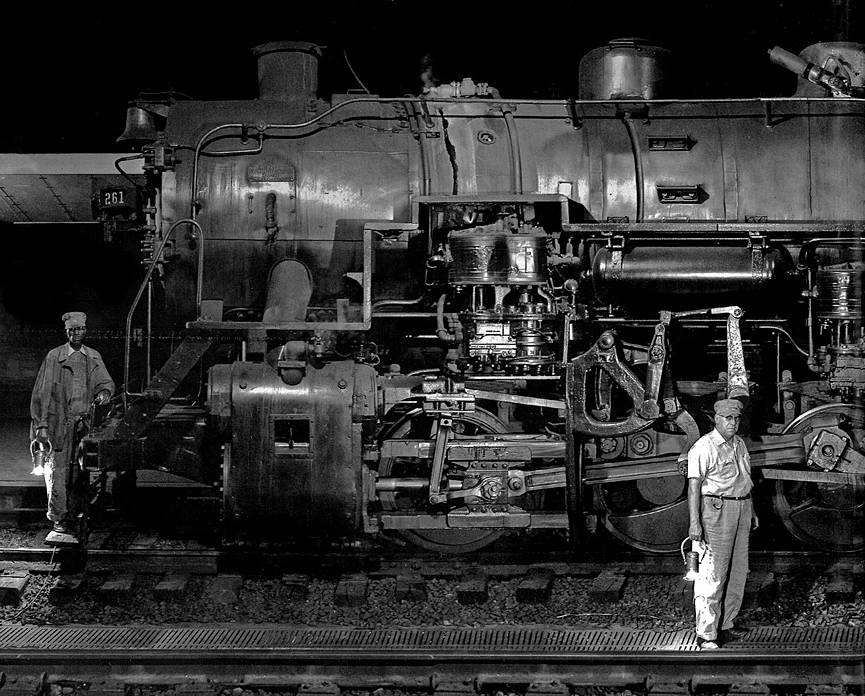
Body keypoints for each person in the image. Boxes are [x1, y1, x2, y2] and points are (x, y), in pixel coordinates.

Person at [30, 312, 115, 546]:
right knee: (57, 472)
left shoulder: (93, 357)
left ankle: (77, 515)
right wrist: (42, 426)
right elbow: (41, 394)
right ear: (66, 332)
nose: (76, 334)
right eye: (72, 330)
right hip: (58, 424)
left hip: (83, 424)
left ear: (85, 331)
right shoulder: (54, 357)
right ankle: (58, 521)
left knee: (80, 474)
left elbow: (105, 382)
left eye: (80, 330)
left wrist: (105, 393)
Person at [687, 398, 759, 650]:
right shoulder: (704, 446)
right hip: (716, 510)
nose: (733, 423)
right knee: (712, 574)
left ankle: (727, 624)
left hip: (741, 507)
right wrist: (695, 523)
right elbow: (694, 486)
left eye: (736, 419)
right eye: (728, 418)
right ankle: (706, 633)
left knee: (739, 571)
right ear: (716, 419)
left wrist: (751, 510)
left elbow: (744, 479)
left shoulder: (738, 444)